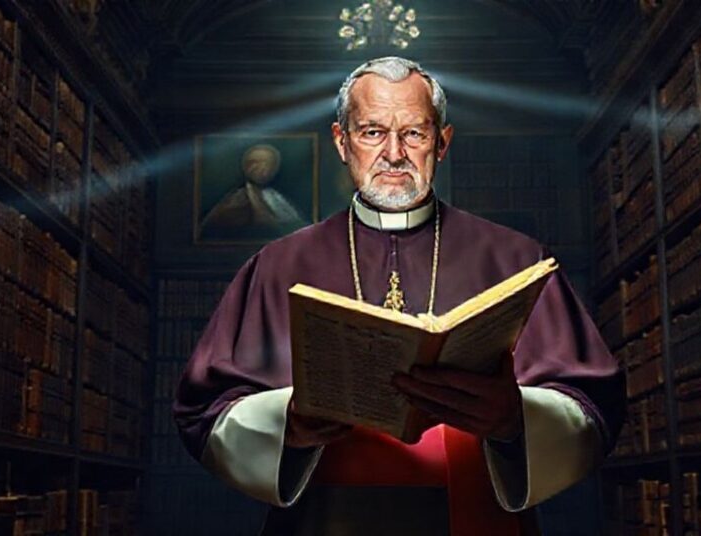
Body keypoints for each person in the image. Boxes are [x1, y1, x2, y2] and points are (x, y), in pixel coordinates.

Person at [173, 56, 624, 535]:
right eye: (371, 132)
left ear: (442, 143)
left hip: (475, 514)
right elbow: (207, 411)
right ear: (341, 142)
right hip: (324, 519)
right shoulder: (278, 265)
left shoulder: (516, 258)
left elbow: (593, 406)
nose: (393, 153)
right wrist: (286, 425)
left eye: (414, 133)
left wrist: (516, 420)